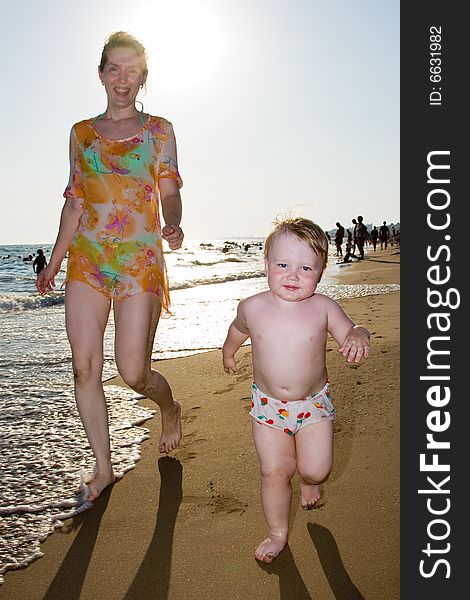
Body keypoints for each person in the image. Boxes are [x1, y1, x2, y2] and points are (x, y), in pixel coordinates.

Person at [36, 31, 183, 501]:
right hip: (88, 260)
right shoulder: (80, 134)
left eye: (133, 69)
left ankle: (171, 407)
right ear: (101, 74)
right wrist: (54, 263)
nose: (123, 79)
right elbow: (74, 203)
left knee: (133, 372)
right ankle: (103, 467)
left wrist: (174, 223)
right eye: (114, 69)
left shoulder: (159, 129)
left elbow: (169, 190)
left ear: (143, 77)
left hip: (139, 261)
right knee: (85, 367)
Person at [222, 217, 370, 563]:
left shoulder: (323, 308)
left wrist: (358, 335)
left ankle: (308, 480)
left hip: (312, 406)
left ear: (320, 272)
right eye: (283, 264)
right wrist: (228, 352)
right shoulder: (252, 306)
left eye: (305, 267)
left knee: (316, 468)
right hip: (267, 407)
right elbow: (237, 330)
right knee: (272, 471)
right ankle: (277, 533)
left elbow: (354, 328)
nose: (292, 275)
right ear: (266, 265)